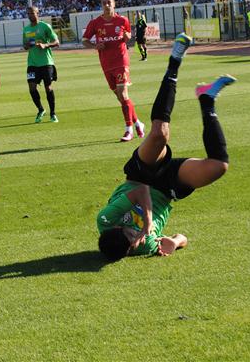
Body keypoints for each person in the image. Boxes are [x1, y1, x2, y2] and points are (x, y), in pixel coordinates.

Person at [97, 34, 235, 261]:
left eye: (130, 232)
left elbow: (140, 192)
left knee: (160, 133)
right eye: (134, 239)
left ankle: (175, 60)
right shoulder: (142, 246)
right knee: (219, 167)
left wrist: (147, 225)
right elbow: (181, 238)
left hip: (139, 177)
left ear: (116, 228)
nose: (136, 236)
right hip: (165, 189)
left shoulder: (105, 220)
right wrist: (176, 242)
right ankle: (207, 100)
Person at [82, 0, 144, 141]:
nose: (106, 5)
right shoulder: (95, 23)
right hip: (106, 64)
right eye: (104, 3)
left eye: (109, 2)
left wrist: (128, 38)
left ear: (114, 4)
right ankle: (137, 123)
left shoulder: (122, 20)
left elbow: (128, 36)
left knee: (123, 95)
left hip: (121, 61)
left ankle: (128, 130)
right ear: (101, 5)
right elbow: (84, 40)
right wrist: (95, 45)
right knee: (121, 98)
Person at [23, 5, 60, 123]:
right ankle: (40, 109)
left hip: (46, 62)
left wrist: (46, 45)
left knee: (48, 88)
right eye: (28, 14)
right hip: (32, 63)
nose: (30, 15)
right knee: (31, 88)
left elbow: (57, 42)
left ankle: (53, 113)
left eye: (32, 13)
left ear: (37, 13)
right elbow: (24, 46)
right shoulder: (26, 29)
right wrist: (27, 45)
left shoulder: (45, 26)